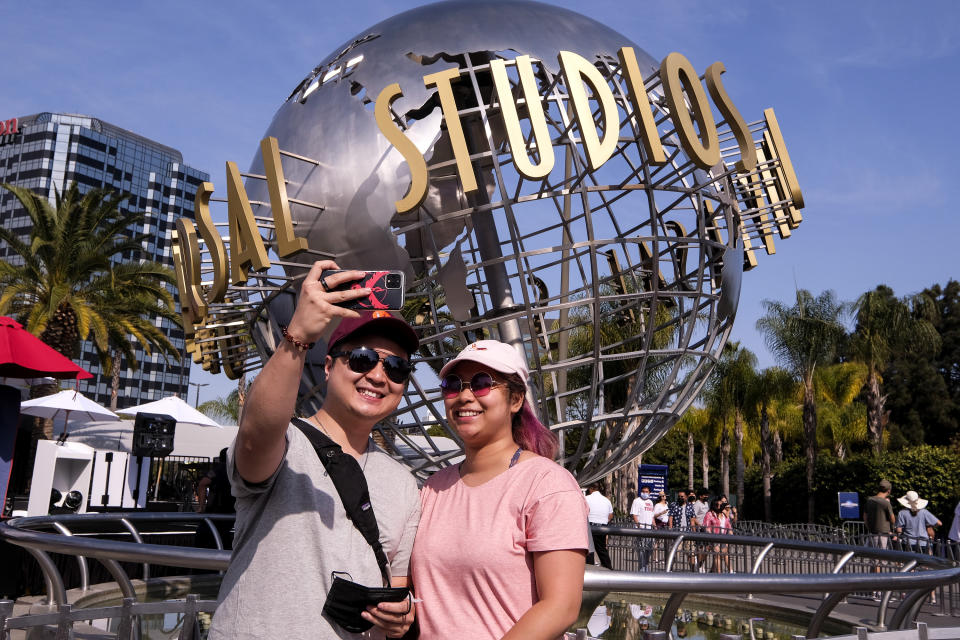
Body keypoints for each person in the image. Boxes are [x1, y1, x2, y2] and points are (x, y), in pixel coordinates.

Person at [209, 262, 420, 640]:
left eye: (397, 368)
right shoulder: (286, 444)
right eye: (362, 358)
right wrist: (299, 335)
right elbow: (256, 434)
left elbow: (397, 587)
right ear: (327, 366)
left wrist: (400, 616)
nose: (377, 375)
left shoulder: (404, 484)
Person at [410, 339, 589, 639]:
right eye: (453, 385)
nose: (465, 396)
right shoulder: (432, 488)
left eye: (482, 383)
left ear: (516, 399)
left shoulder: (546, 485)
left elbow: (561, 606)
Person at [195, 447, 235, 550]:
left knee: (205, 540)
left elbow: (203, 483)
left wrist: (201, 506)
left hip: (216, 510)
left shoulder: (219, 469)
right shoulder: (237, 469)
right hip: (232, 511)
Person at [586, 482, 615, 569]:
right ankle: (608, 568)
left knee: (589, 549)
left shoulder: (586, 498)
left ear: (591, 489)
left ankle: (589, 568)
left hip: (590, 526)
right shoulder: (606, 500)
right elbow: (610, 515)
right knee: (602, 549)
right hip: (602, 527)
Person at [701, 497, 733, 573]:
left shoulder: (724, 514)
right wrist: (710, 534)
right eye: (717, 504)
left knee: (725, 553)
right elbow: (706, 525)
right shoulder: (710, 514)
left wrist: (731, 534)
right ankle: (719, 573)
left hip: (723, 536)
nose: (719, 506)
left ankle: (731, 571)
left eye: (720, 504)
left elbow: (728, 525)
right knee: (717, 554)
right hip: (714, 536)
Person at [864, 479, 896, 549]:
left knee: (871, 557)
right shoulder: (886, 503)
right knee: (881, 557)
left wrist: (869, 528)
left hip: (871, 533)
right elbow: (892, 519)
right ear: (889, 491)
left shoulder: (869, 500)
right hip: (882, 535)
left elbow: (865, 517)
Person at [630, 485, 655, 570]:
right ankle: (642, 571)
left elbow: (652, 516)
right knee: (641, 552)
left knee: (648, 552)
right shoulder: (637, 501)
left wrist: (654, 526)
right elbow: (634, 515)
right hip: (641, 530)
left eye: (646, 492)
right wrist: (639, 526)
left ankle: (646, 570)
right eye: (643, 491)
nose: (644, 493)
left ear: (649, 493)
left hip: (649, 531)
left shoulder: (650, 502)